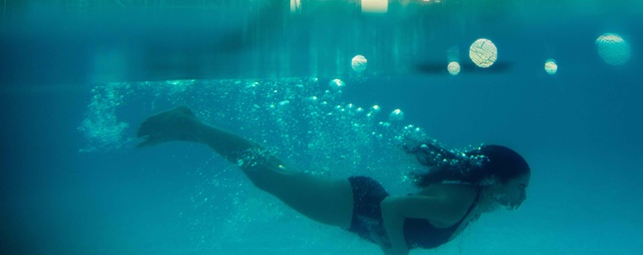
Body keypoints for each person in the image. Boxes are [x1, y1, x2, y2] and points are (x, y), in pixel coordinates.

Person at [137, 106, 530, 254]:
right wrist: (398, 252)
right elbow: (393, 208)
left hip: (356, 204)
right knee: (266, 175)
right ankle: (190, 124)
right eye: (520, 187)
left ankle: (189, 129)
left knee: (271, 172)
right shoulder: (460, 201)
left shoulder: (471, 199)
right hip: (353, 206)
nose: (522, 198)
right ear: (497, 178)